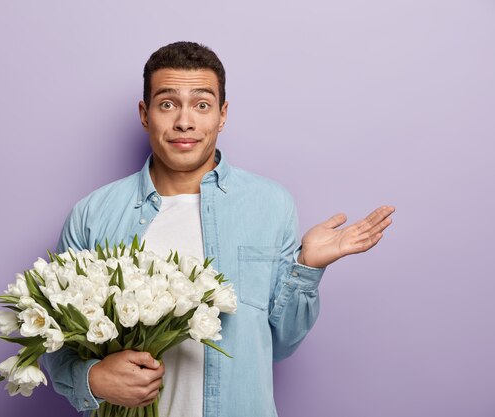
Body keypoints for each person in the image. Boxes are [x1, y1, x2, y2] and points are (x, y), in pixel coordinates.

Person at [41, 41, 394, 417]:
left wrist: (307, 267)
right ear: (145, 114)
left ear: (222, 115)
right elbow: (54, 341)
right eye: (167, 104)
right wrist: (92, 379)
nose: (184, 122)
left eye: (202, 105)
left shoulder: (270, 205)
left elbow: (282, 343)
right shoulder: (94, 214)